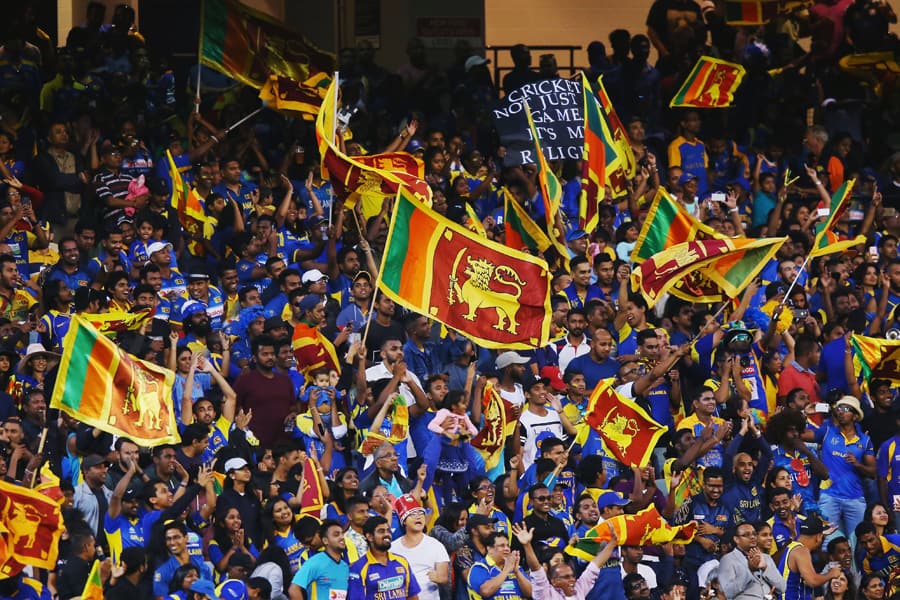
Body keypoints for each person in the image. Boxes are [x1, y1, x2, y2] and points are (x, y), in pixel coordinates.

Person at [390, 495, 450, 600]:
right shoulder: (392, 548)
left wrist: (439, 578)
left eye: (421, 513)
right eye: (412, 514)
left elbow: (444, 577)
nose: (418, 517)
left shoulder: (436, 546)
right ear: (404, 521)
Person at [348, 516, 421, 600]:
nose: (387, 534)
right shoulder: (358, 568)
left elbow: (412, 596)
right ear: (369, 536)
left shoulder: (402, 561)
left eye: (388, 531)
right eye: (381, 531)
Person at [778, 517, 842, 600]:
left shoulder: (792, 547)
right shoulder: (802, 551)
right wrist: (831, 573)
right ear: (818, 537)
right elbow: (812, 581)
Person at [718, 521, 786, 600]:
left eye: (754, 534)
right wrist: (750, 571)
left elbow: (782, 587)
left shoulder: (766, 558)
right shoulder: (728, 560)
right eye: (746, 535)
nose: (752, 537)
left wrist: (765, 568)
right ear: (736, 539)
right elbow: (727, 593)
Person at [288, 519, 348, 600]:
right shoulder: (313, 561)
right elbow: (294, 590)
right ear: (325, 540)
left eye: (342, 534)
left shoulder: (344, 566)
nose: (341, 537)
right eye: (336, 535)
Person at [466, 531, 532, 599]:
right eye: (502, 546)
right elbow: (485, 591)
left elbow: (529, 593)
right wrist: (506, 570)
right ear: (489, 549)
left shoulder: (516, 568)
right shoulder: (479, 567)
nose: (506, 549)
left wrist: (517, 572)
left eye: (508, 546)